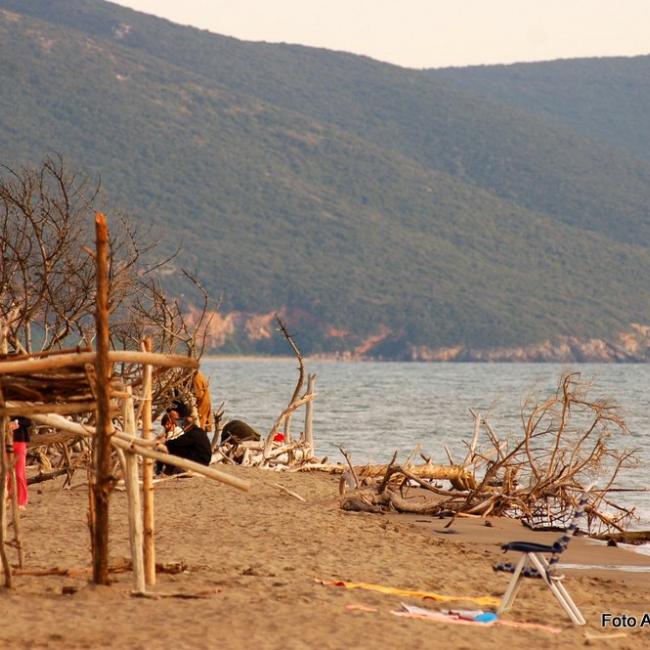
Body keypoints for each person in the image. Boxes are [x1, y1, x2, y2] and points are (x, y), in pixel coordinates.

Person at [8, 416, 30, 510]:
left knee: (20, 473)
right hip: (6, 441)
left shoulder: (22, 405)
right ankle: (7, 497)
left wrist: (16, 422)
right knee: (7, 473)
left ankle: (21, 502)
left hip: (20, 441)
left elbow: (28, 422)